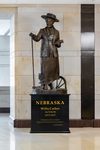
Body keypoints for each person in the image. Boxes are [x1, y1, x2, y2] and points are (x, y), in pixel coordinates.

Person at [29, 13, 63, 90]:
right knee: (45, 69)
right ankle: (45, 83)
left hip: (53, 53)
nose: (48, 22)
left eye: (50, 21)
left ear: (53, 22)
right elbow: (37, 39)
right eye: (47, 21)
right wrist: (33, 36)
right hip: (45, 53)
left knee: (52, 69)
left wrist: (59, 43)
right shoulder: (42, 31)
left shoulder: (57, 32)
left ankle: (50, 84)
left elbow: (57, 44)